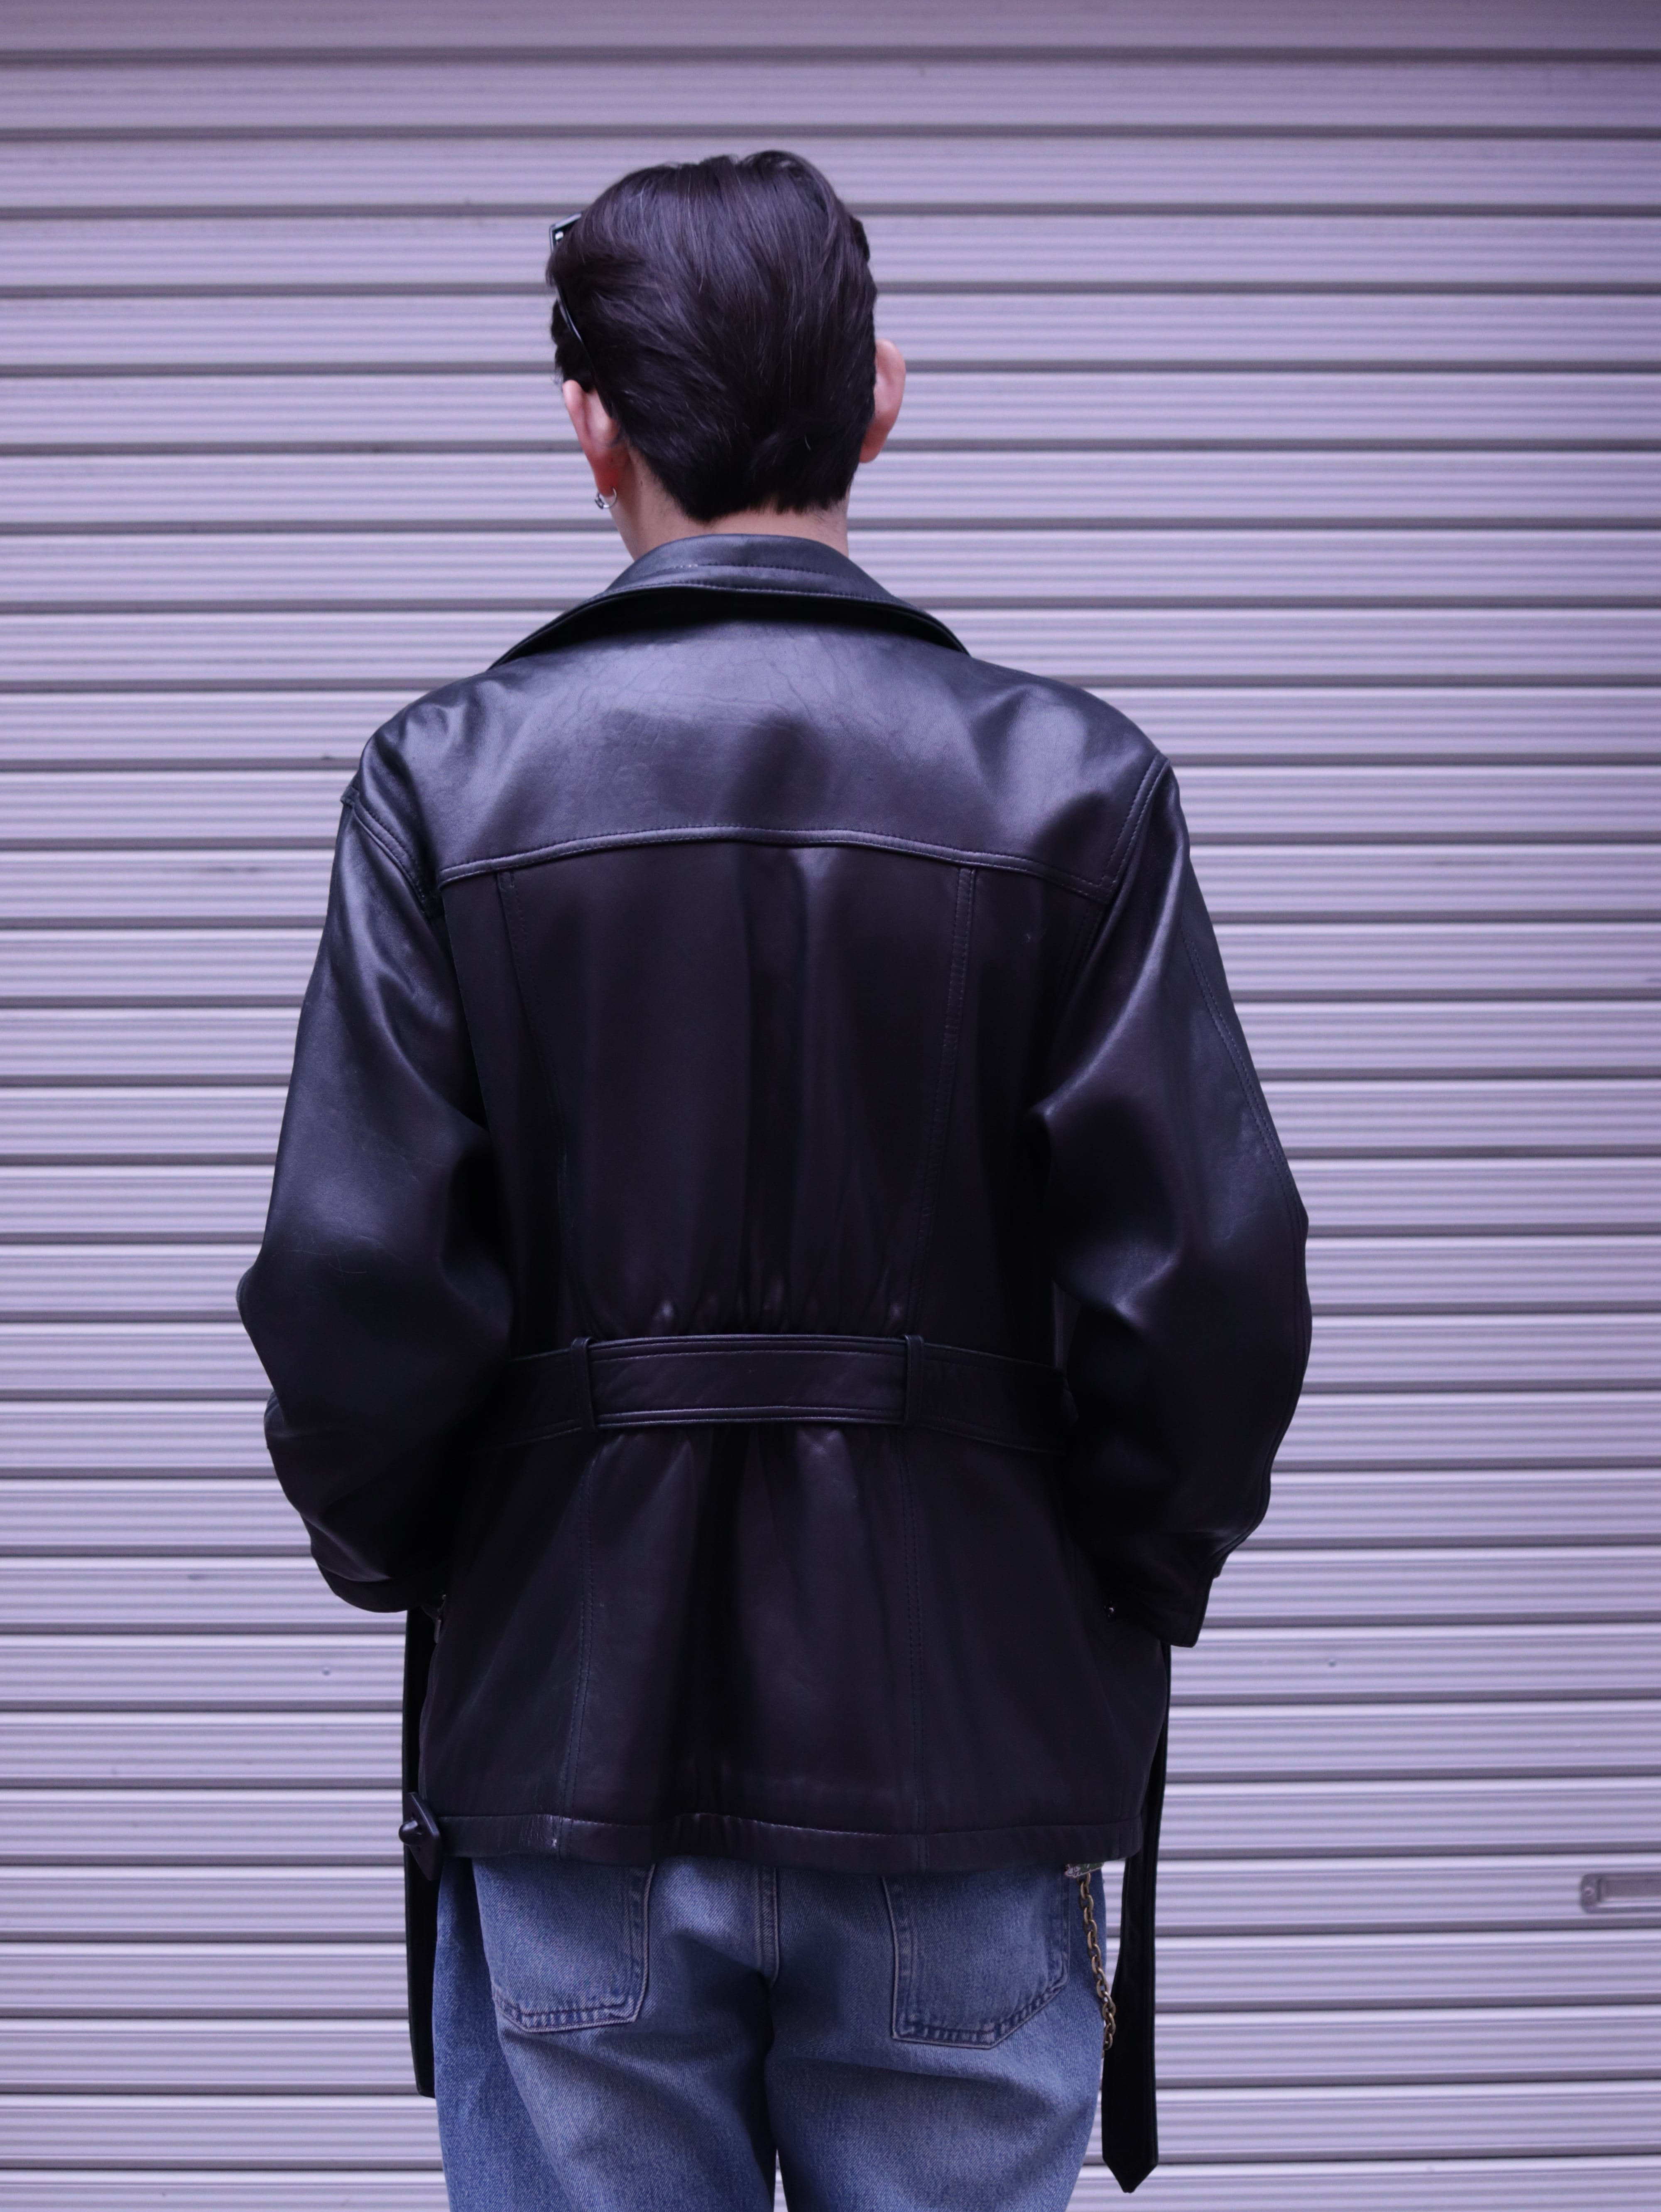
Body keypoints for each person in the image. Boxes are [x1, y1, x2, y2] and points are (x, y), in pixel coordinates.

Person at [239, 151, 1310, 2212]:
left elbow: (354, 1289)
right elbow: (1210, 1296)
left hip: (569, 1763)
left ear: (591, 427)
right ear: (879, 396)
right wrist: (1106, 1588)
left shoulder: (443, 786)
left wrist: (452, 1566)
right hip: (966, 1759)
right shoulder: (1077, 793)